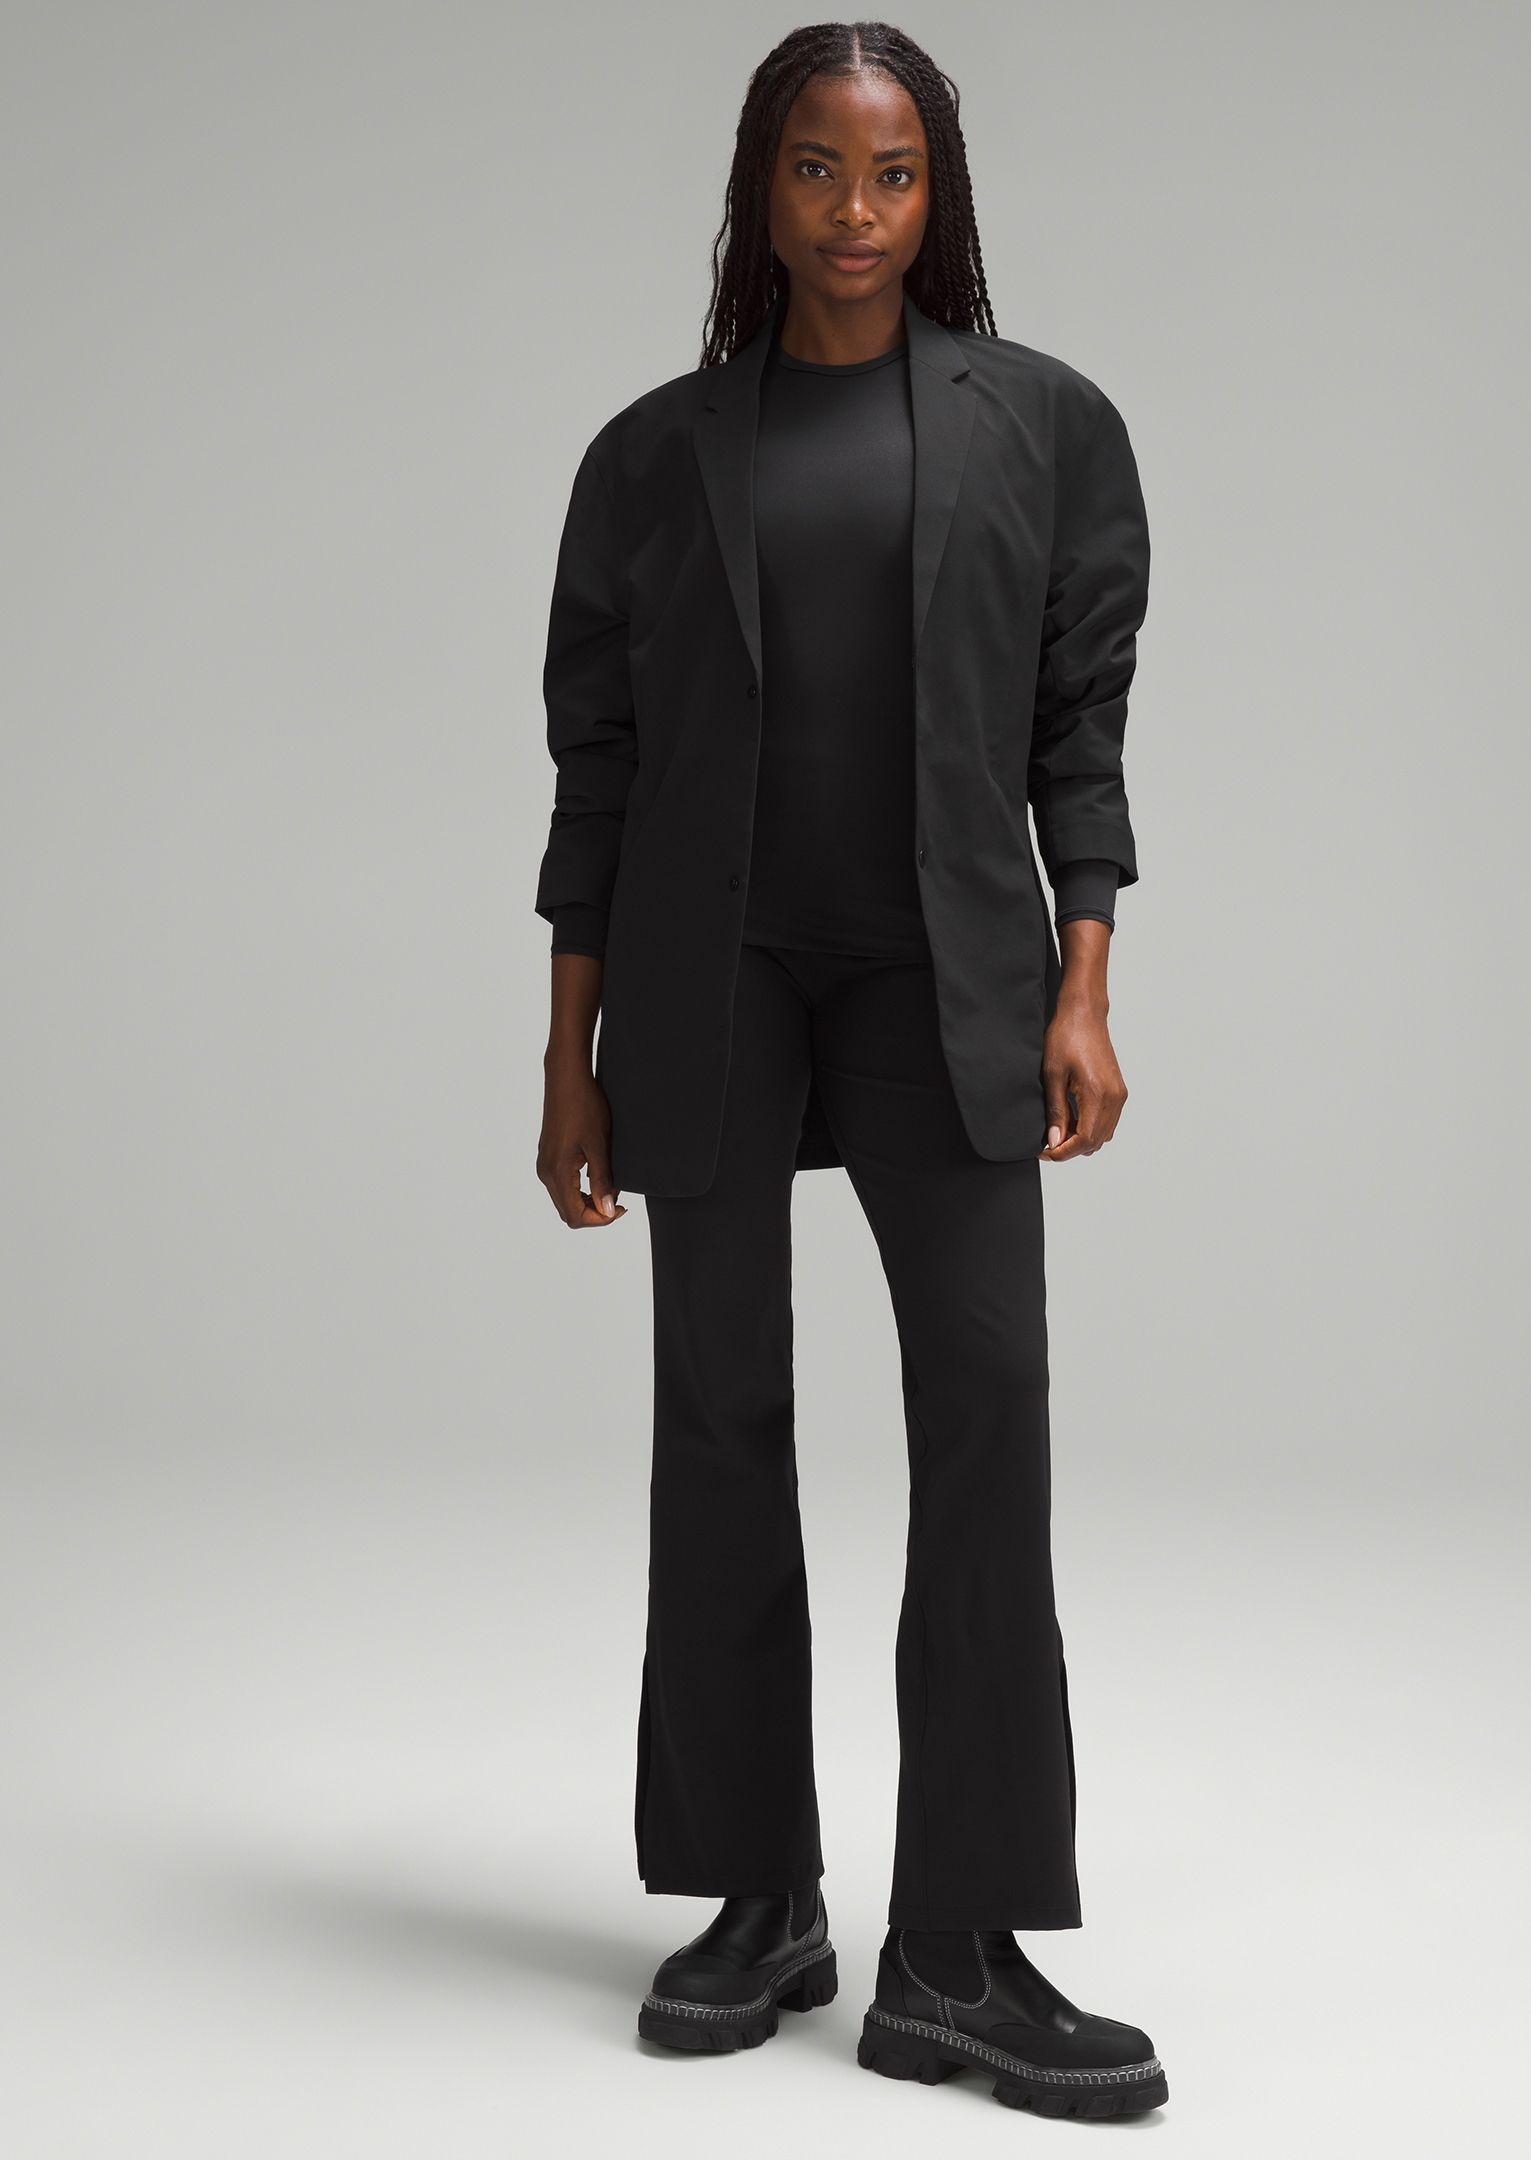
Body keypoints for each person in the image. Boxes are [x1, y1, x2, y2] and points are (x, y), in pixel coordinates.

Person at [534, 21, 1168, 2123]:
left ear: (938, 194)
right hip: (712, 982)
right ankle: (760, 1895)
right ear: (763, 186)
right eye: (817, 168)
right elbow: (597, 769)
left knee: (987, 1417)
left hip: (945, 979)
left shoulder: (1047, 427)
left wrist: (1084, 983)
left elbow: (1079, 731)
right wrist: (569, 1051)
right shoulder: (653, 455)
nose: (855, 211)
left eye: (892, 174)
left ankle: (959, 1952)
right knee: (718, 1420)